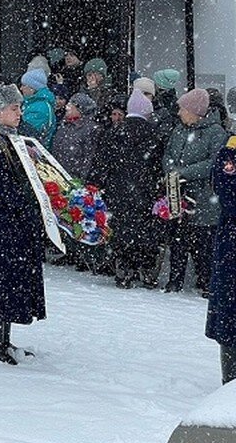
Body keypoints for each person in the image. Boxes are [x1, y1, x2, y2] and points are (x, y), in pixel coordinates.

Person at [0, 84, 46, 365]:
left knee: (12, 279)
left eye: (19, 107)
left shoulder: (14, 138)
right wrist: (24, 203)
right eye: (14, 108)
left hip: (16, 219)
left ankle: (4, 339)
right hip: (2, 219)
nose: (19, 112)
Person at [93, 90, 163, 288]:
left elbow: (101, 163)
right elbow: (158, 165)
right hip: (144, 190)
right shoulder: (153, 134)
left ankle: (124, 269)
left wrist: (96, 182)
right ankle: (147, 268)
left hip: (118, 190)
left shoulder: (114, 133)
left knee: (122, 230)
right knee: (145, 231)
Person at [163, 88, 228, 295]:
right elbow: (168, 154)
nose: (179, 113)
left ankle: (207, 283)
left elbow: (214, 162)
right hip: (178, 194)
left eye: (182, 109)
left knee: (204, 243)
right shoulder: (179, 129)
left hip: (203, 197)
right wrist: (170, 170)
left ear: (194, 111)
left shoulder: (216, 132)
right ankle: (174, 281)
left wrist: (184, 172)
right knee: (178, 239)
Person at [206, 134, 236, 384]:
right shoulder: (231, 151)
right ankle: (231, 385)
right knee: (231, 321)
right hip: (232, 248)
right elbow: (228, 194)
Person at [19, 68, 56, 148]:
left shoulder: (41, 108)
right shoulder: (32, 103)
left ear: (33, 88)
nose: (21, 88)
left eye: (24, 85)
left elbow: (28, 134)